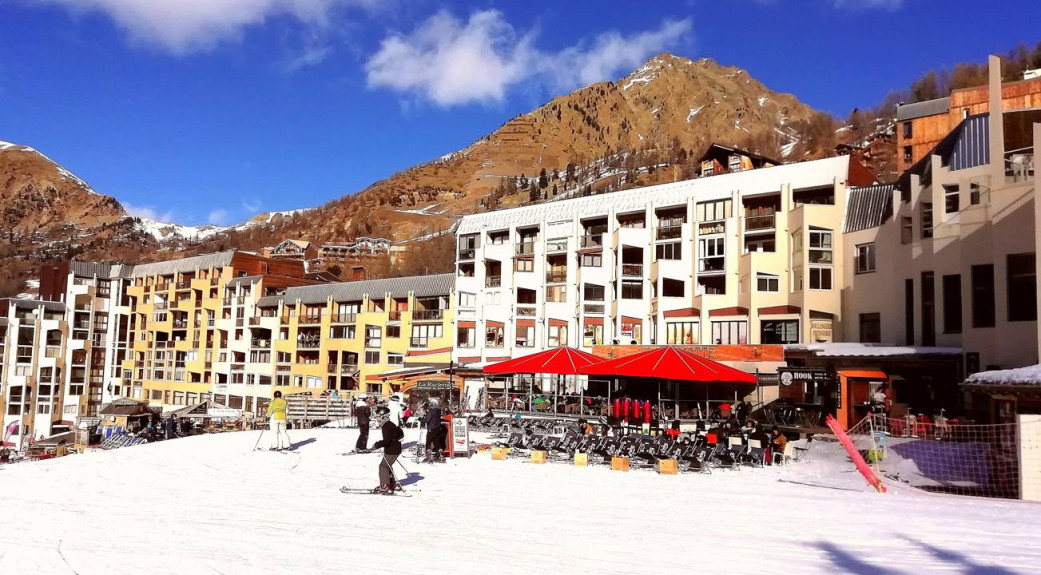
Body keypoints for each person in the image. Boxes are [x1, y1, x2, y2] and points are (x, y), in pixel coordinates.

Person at [371, 406, 404, 494]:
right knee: (387, 466)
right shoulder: (390, 424)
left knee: (383, 466)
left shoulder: (386, 426)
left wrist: (377, 445)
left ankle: (385, 486)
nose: (377, 418)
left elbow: (387, 441)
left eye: (378, 416)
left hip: (392, 449)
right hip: (395, 449)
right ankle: (392, 484)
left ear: (383, 416)